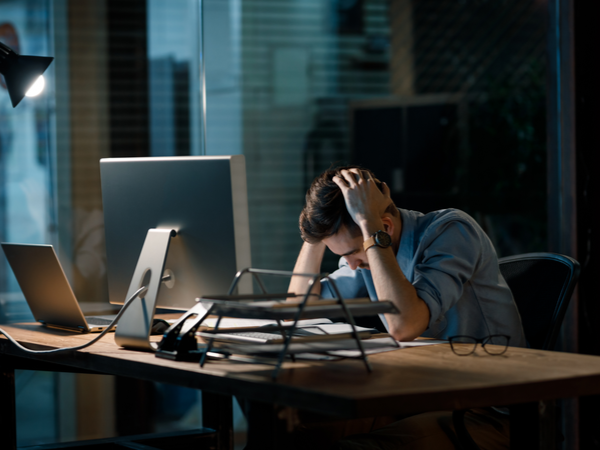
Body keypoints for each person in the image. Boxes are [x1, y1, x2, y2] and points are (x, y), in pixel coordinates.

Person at [287, 165, 526, 450]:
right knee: (289, 430)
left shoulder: (452, 231)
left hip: (484, 411)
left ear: (384, 227)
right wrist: (316, 235)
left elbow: (404, 326)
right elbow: (298, 309)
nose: (348, 264)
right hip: (417, 399)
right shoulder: (367, 256)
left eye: (351, 253)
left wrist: (370, 226)